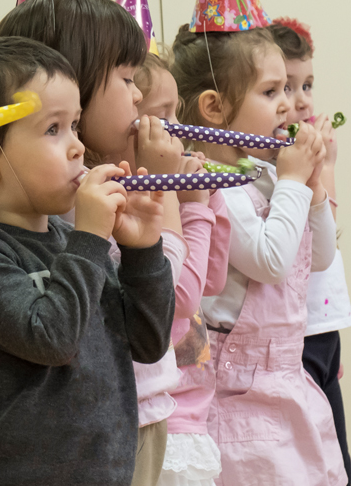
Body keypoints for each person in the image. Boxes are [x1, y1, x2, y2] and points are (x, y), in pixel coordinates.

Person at [0, 36, 176, 486]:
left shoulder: (72, 241)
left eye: (75, 125)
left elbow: (148, 345)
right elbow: (51, 337)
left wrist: (142, 250)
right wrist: (91, 237)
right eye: (54, 129)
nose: (77, 147)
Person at [0, 0, 189, 486]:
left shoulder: (96, 197)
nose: (139, 95)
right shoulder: (27, 224)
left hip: (134, 421)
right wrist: (156, 192)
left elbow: (150, 336)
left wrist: (143, 240)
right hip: (71, 450)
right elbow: (59, 336)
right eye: (126, 78)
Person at [171, 24, 347, 485]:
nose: (288, 105)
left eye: (288, 90)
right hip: (240, 394)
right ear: (214, 107)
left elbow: (322, 257)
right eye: (271, 92)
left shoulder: (266, 173)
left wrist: (311, 191)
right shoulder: (211, 184)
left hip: (287, 377)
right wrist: (291, 182)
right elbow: (270, 261)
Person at [127, 53, 231, 486]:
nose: (178, 129)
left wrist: (211, 204)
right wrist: (191, 206)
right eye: (161, 116)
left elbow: (212, 280)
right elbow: (181, 300)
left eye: (176, 112)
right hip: (165, 409)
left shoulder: (170, 189)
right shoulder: (138, 197)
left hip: (191, 411)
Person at [269, 18, 351, 484]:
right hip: (292, 337)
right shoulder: (276, 165)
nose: (300, 100)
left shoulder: (305, 157)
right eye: (284, 86)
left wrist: (329, 165)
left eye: (307, 84)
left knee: (338, 460)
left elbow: (328, 242)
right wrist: (318, 172)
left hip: (323, 327)